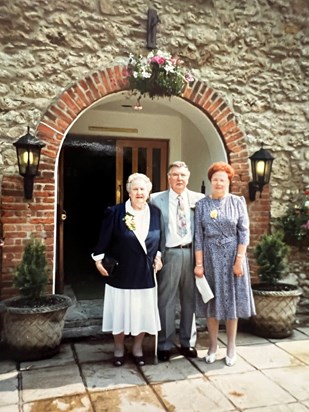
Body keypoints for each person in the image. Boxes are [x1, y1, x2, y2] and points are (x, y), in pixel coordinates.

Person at [92, 173, 163, 367]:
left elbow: (159, 241)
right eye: (135, 189)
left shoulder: (155, 213)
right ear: (128, 192)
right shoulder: (115, 212)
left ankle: (138, 348)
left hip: (145, 273)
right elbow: (103, 239)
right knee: (120, 312)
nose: (139, 193)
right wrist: (98, 260)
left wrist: (158, 257)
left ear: (149, 192)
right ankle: (118, 348)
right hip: (121, 272)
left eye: (143, 189)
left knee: (141, 312)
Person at [194, 161, 256, 367]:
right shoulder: (202, 205)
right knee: (212, 303)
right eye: (215, 179)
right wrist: (199, 264)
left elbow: (244, 233)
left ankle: (231, 346)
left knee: (231, 304)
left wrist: (239, 260)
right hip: (210, 259)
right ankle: (212, 346)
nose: (218, 183)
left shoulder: (237, 202)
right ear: (210, 181)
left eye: (222, 179)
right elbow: (198, 237)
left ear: (228, 181)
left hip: (232, 259)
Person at [150, 161, 205, 361]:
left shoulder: (199, 200)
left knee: (189, 299)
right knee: (166, 301)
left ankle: (187, 342)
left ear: (188, 177)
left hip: (192, 254)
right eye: (175, 174)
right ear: (168, 177)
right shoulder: (156, 199)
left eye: (182, 175)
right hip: (169, 254)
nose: (179, 178)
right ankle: (164, 344)